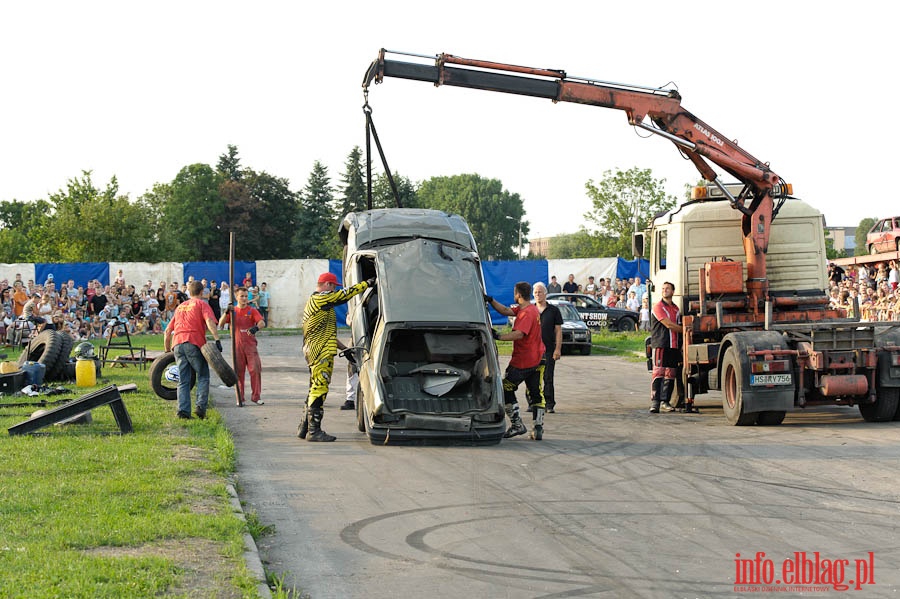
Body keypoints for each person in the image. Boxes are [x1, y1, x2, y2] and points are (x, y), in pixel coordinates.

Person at [297, 272, 374, 442]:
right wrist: (366, 284)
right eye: (333, 287)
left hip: (316, 350)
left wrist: (345, 349)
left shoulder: (319, 304)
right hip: (320, 353)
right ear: (327, 285)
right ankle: (314, 431)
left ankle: (304, 428)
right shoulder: (320, 299)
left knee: (313, 388)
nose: (334, 291)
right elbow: (343, 296)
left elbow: (327, 334)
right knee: (320, 389)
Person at [485, 281, 546, 440]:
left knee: (505, 389)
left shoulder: (526, 314)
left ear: (518, 294)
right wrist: (490, 300)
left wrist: (498, 336)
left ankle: (517, 424)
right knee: (536, 392)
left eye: (514, 292)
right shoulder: (528, 308)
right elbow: (505, 310)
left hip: (524, 361)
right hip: (538, 358)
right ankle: (538, 427)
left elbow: (519, 334)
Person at [164, 280, 223, 420]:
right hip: (194, 342)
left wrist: (167, 350)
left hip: (177, 343)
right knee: (203, 375)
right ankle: (200, 407)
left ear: (188, 292)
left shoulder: (180, 307)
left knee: (183, 380)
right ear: (202, 292)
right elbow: (209, 321)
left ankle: (183, 411)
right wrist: (217, 339)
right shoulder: (202, 304)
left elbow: (167, 330)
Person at [649, 281, 695, 413]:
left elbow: (678, 323)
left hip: (673, 345)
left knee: (671, 374)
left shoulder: (675, 309)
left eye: (667, 288)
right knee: (659, 373)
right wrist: (686, 330)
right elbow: (669, 325)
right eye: (663, 288)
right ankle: (655, 402)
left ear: (673, 291)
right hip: (661, 345)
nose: (664, 290)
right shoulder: (658, 307)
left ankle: (665, 401)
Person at [219, 287, 266, 405]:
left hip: (250, 346)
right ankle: (240, 398)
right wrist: (226, 312)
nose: (244, 298)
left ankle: (256, 397)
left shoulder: (252, 310)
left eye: (246, 296)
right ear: (236, 297)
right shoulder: (232, 311)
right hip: (237, 346)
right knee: (238, 373)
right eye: (242, 296)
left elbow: (262, 322)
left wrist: (256, 327)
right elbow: (220, 324)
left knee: (255, 370)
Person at [533, 282, 562, 413]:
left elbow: (558, 331)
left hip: (549, 350)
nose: (537, 294)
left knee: (548, 377)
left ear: (545, 294)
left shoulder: (553, 310)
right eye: (535, 292)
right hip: (532, 350)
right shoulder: (530, 310)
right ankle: (534, 403)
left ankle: (549, 404)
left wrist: (558, 349)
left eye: (540, 292)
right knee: (532, 378)